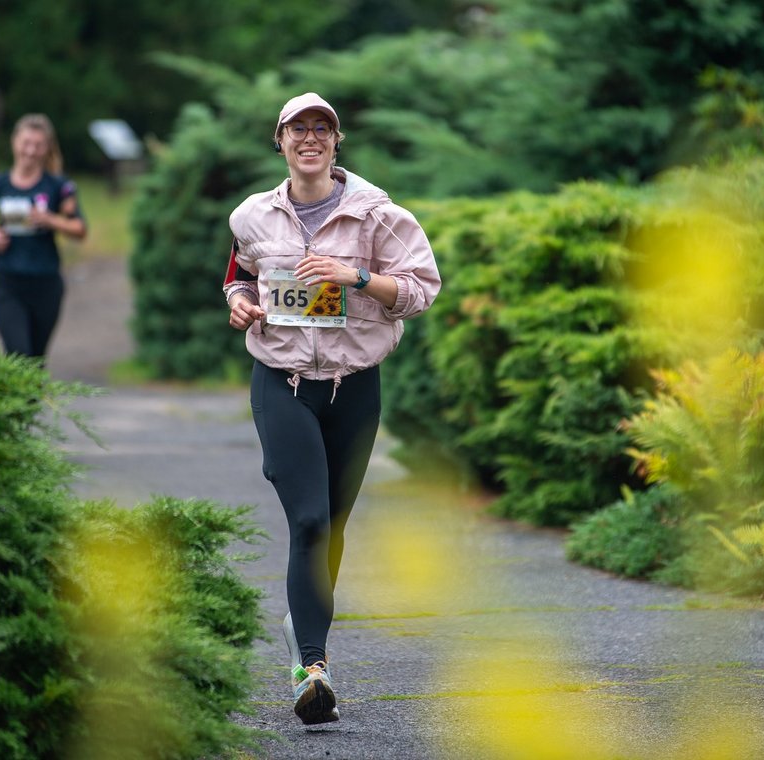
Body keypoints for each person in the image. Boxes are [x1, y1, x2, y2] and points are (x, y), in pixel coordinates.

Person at [224, 92, 441, 725]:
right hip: (282, 382)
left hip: (355, 388)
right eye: (298, 129)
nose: (310, 138)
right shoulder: (252, 216)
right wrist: (239, 303)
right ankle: (312, 668)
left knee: (334, 525)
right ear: (280, 141)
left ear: (336, 141)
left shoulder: (380, 216)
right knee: (311, 519)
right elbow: (239, 275)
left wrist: (356, 278)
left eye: (323, 128)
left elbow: (422, 290)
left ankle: (304, 626)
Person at [0, 113, 87, 360]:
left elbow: (79, 229)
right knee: (18, 354)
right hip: (6, 283)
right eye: (26, 143)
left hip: (46, 285)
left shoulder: (58, 187)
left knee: (35, 361)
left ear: (48, 148)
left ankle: (23, 388)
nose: (31, 151)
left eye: (38, 145)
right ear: (15, 142)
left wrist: (51, 220)